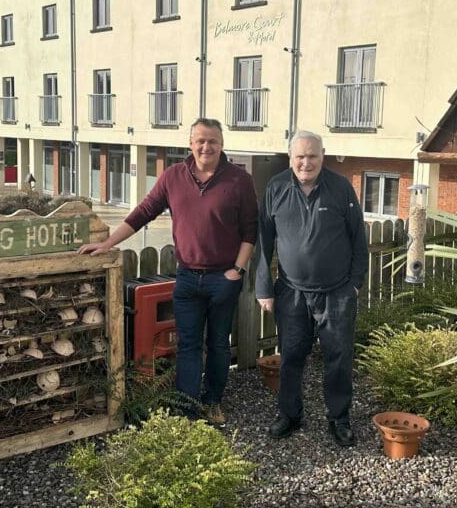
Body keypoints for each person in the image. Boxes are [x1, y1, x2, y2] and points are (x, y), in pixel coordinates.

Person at [79, 118, 257, 425]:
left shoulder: (239, 180)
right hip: (187, 278)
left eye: (212, 140)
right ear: (190, 144)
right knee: (187, 345)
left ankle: (212, 401)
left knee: (217, 343)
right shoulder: (173, 176)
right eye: (200, 140)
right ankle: (187, 409)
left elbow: (251, 230)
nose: (206, 146)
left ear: (222, 144)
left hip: (223, 278)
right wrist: (108, 243)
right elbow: (144, 212)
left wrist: (237, 271)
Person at [255, 131, 368, 447]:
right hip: (291, 293)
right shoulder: (276, 187)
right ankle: (289, 415)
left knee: (339, 357)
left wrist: (355, 283)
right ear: (290, 158)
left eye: (312, 156)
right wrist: (263, 288)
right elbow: (264, 241)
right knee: (291, 356)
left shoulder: (341, 188)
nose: (306, 162)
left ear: (323, 156)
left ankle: (339, 418)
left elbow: (358, 238)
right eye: (300, 156)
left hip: (337, 292)